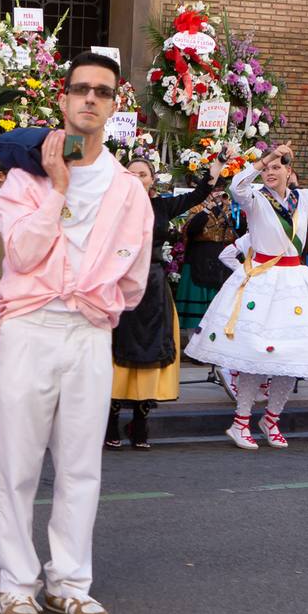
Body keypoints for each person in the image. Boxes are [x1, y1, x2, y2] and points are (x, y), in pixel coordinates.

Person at [0, 51, 153, 614]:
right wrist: (57, 189)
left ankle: (71, 583)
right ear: (61, 98)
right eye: (80, 88)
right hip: (29, 330)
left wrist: (94, 299)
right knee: (17, 466)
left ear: (113, 105)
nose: (89, 99)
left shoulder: (129, 190)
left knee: (82, 466)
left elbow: (134, 279)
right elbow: (22, 254)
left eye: (101, 92)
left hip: (88, 333)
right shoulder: (25, 178)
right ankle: (17, 585)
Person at [185, 135, 308, 449]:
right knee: (256, 357)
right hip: (263, 283)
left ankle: (272, 418)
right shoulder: (255, 197)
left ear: (289, 171)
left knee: (293, 356)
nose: (270, 172)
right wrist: (262, 159)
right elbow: (237, 186)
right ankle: (240, 421)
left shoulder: (305, 197)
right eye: (267, 168)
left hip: (295, 283)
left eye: (277, 166)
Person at [108, 157, 216, 450]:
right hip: (118, 282)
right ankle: (110, 419)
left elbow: (197, 195)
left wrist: (215, 169)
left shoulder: (162, 207)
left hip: (152, 284)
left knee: (150, 349)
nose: (136, 178)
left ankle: (141, 421)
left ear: (152, 180)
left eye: (142, 174)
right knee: (115, 349)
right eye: (130, 173)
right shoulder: (108, 206)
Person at [175, 190, 238, 333]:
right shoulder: (197, 208)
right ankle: (193, 339)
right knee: (197, 305)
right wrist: (207, 208)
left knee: (218, 305)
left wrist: (233, 210)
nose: (218, 193)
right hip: (198, 258)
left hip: (220, 262)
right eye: (215, 190)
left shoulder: (229, 210)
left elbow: (239, 230)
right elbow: (191, 231)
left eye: (221, 189)